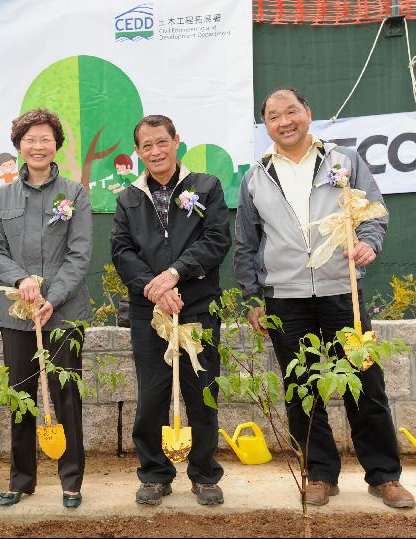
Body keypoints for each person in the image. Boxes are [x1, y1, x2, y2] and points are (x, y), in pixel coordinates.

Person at [233, 87, 415, 509]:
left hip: (342, 293)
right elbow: (246, 242)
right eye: (274, 116)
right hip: (285, 300)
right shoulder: (255, 176)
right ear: (266, 126)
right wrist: (253, 299)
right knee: (301, 388)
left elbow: (373, 210)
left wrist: (369, 242)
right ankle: (319, 473)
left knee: (366, 385)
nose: (284, 121)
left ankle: (384, 476)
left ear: (308, 114)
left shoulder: (343, 160)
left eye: (291, 111)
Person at [110, 114, 231, 507]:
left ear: (177, 141)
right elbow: (122, 251)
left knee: (201, 392)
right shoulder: (128, 198)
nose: (155, 151)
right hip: (150, 310)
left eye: (162, 142)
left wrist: (176, 275)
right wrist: (155, 287)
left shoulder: (206, 186)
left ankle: (204, 474)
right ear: (138, 152)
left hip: (196, 305)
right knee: (152, 395)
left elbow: (216, 239)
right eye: (146, 146)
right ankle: (154, 474)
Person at [0, 108, 93, 509]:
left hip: (64, 313)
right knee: (20, 395)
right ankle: (22, 478)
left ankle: (71, 480)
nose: (38, 145)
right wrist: (21, 281)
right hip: (16, 314)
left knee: (66, 394)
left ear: (56, 144)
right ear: (18, 146)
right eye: (30, 139)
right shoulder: (3, 196)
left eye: (45, 138)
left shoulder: (75, 193)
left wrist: (52, 297)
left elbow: (80, 255)